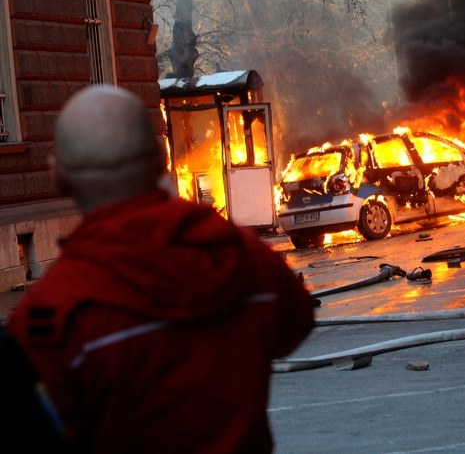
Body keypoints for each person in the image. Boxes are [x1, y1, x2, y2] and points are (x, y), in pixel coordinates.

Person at [6, 85, 314, 453]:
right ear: (160, 157)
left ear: (58, 175)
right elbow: (292, 328)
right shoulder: (244, 257)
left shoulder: (50, 315)